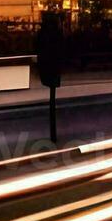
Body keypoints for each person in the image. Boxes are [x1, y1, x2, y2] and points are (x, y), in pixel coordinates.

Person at [35, 12, 66, 141]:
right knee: (52, 93)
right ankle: (53, 133)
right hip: (54, 65)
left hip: (46, 65)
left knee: (51, 94)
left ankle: (53, 133)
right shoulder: (57, 33)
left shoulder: (42, 33)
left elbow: (37, 47)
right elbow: (63, 48)